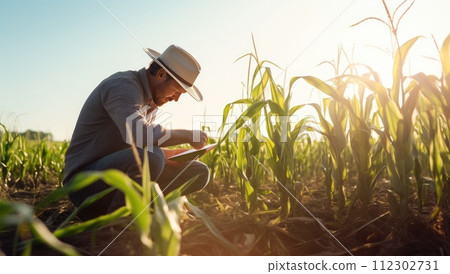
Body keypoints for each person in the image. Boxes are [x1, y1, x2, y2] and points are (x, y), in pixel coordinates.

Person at [63, 45, 209, 220]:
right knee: (153, 157)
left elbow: (133, 146)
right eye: (177, 91)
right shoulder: (123, 86)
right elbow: (139, 134)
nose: (176, 99)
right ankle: (118, 221)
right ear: (161, 75)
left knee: (199, 172)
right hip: (84, 185)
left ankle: (146, 209)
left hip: (115, 173)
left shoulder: (152, 102)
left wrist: (174, 155)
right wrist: (188, 135)